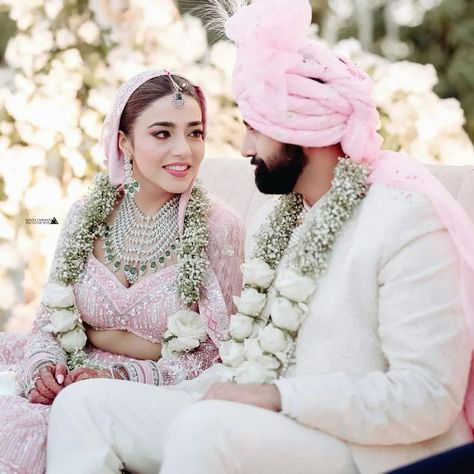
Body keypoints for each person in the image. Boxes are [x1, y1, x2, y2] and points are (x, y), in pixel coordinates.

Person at [46, 1, 474, 473]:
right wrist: (160, 383)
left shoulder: (403, 221)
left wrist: (276, 396)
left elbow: (429, 395)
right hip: (260, 422)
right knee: (85, 406)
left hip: (362, 447)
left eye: (256, 129)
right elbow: (242, 359)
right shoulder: (276, 221)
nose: (245, 147)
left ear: (301, 129)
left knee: (205, 428)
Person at [0, 69, 244, 474]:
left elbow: (223, 355)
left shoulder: (219, 226)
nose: (184, 150)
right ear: (124, 142)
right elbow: (47, 323)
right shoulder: (86, 214)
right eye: (162, 133)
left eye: (195, 133)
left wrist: (118, 374)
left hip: (151, 392)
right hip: (68, 375)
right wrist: (44, 370)